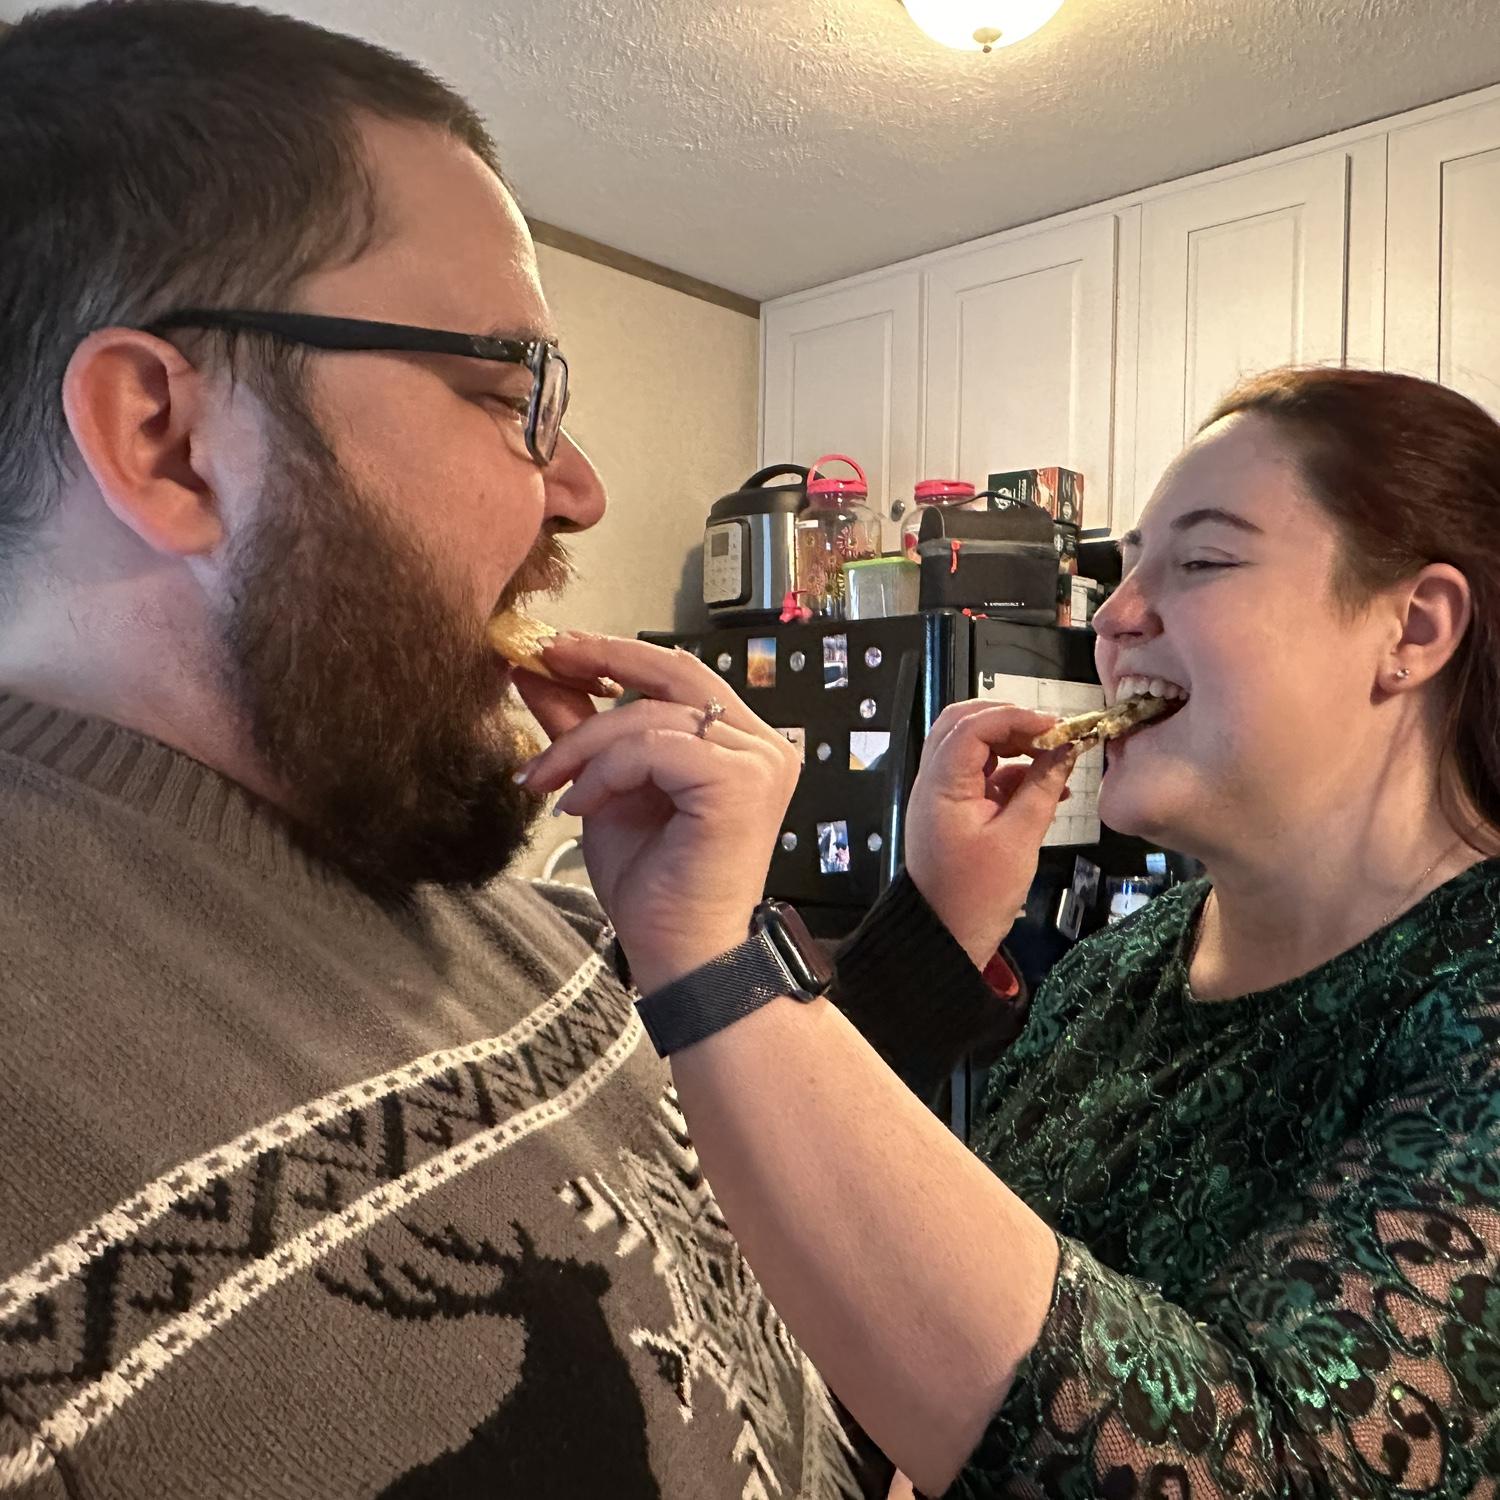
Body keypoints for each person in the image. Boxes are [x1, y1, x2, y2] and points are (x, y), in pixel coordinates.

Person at [0, 4, 902, 1495]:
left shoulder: (489, 878)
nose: (586, 493)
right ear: (164, 435)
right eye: (508, 394)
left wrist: (712, 948)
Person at [520, 365, 1500, 1497]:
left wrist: (718, 962)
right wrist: (932, 920)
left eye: (1204, 560)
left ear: (1413, 630)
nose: (1118, 617)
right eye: (1131, 566)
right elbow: (871, 1289)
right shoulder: (1129, 967)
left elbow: (1263, 1475)